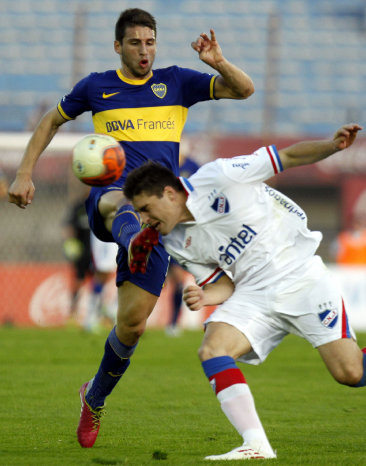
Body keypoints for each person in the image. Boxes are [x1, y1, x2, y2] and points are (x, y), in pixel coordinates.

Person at [7, 8, 255, 448]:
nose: (145, 50)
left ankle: (94, 396)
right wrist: (25, 172)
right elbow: (51, 121)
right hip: (115, 198)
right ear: (118, 46)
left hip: (161, 217)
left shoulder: (177, 81)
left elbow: (244, 89)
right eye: (136, 43)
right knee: (115, 199)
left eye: (151, 42)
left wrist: (217, 62)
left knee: (132, 326)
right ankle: (132, 237)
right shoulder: (96, 87)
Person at [123, 123, 366, 461]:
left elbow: (288, 156)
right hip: (253, 295)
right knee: (213, 349)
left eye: (146, 209)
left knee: (351, 373)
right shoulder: (174, 240)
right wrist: (206, 297)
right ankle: (256, 444)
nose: (143, 219)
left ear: (169, 193)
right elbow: (225, 284)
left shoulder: (220, 177)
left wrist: (333, 145)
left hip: (299, 275)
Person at [166, 143, 201, 336]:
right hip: (164, 227)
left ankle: (173, 321)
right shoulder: (166, 166)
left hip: (184, 229)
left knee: (178, 278)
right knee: (167, 279)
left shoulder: (194, 167)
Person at [62, 198, 93, 317]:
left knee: (98, 280)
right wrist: (69, 243)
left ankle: (97, 311)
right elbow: (69, 226)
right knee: (79, 280)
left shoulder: (100, 205)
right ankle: (72, 310)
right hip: (81, 251)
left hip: (96, 252)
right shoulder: (79, 207)